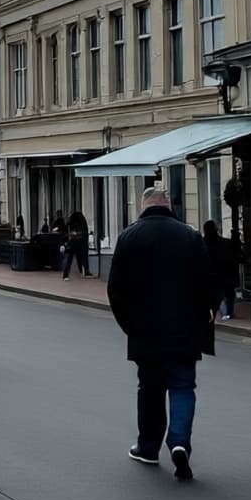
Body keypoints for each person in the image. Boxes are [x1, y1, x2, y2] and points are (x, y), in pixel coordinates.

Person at [107, 186, 219, 481]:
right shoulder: (189, 235)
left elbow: (116, 290)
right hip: (185, 328)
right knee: (183, 387)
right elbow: (209, 281)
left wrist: (129, 325)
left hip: (145, 329)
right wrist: (207, 311)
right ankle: (179, 441)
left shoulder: (129, 237)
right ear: (169, 206)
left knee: (150, 389)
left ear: (144, 206)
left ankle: (148, 447)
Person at [203, 220, 241, 320]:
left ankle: (222, 313)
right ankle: (228, 313)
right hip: (225, 275)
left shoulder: (202, 243)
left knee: (216, 295)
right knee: (229, 294)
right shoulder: (224, 243)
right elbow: (235, 253)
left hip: (211, 276)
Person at [62, 207, 90, 279]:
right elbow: (84, 232)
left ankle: (66, 275)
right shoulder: (82, 220)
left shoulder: (72, 220)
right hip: (81, 240)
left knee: (69, 258)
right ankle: (85, 271)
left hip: (73, 240)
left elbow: (66, 228)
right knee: (82, 256)